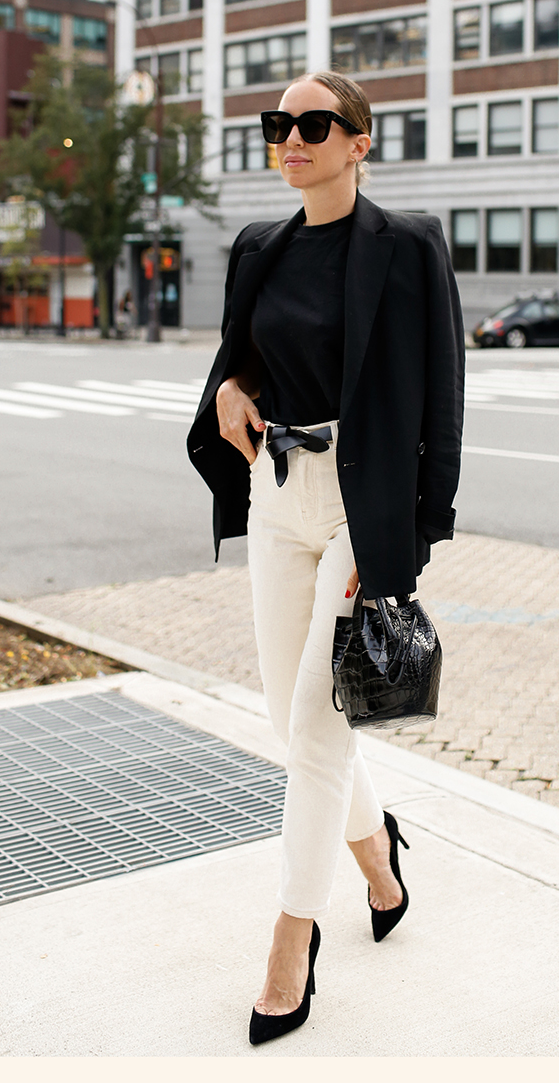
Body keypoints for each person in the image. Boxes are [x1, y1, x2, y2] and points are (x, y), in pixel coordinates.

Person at [187, 70, 464, 1045]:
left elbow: (441, 392)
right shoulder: (258, 246)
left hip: (363, 497)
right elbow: (242, 357)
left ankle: (289, 938)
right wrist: (228, 392)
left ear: (358, 141)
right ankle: (380, 860)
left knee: (315, 720)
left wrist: (415, 534)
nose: (291, 137)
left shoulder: (408, 247)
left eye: (314, 123)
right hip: (278, 488)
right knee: (286, 714)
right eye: (278, 124)